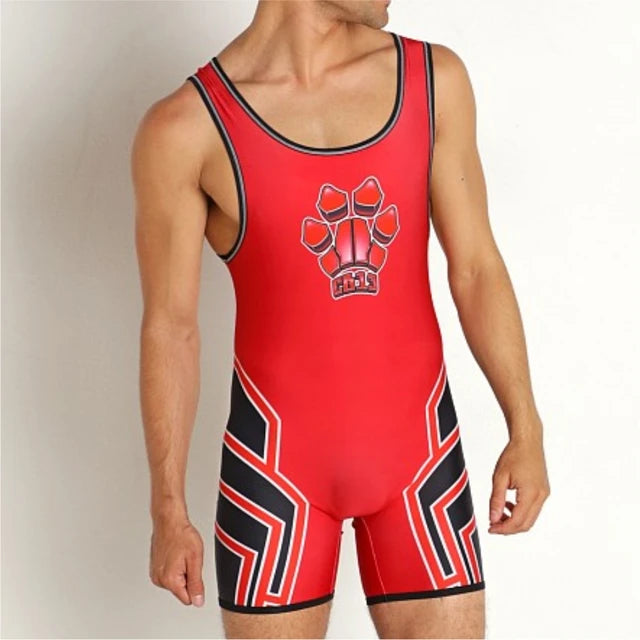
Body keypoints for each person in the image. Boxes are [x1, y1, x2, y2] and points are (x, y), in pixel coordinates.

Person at [131, 1, 551, 638]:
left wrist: (526, 425)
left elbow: (475, 267)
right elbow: (171, 326)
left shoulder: (433, 81)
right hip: (274, 480)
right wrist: (167, 508)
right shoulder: (186, 129)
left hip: (422, 469)